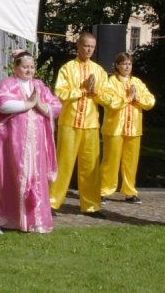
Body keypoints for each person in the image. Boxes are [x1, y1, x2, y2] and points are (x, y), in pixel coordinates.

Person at [0, 50, 61, 234]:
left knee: (33, 179)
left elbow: (56, 107)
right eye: (25, 67)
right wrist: (27, 105)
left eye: (32, 67)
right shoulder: (8, 84)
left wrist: (39, 105)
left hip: (34, 147)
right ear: (16, 67)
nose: (29, 70)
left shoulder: (39, 86)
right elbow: (0, 105)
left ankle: (32, 220)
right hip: (9, 143)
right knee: (6, 177)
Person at [48, 32, 108, 216]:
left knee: (90, 166)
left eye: (92, 46)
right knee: (64, 163)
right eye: (86, 45)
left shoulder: (99, 71)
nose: (88, 49)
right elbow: (60, 93)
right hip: (70, 122)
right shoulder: (67, 68)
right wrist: (82, 89)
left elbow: (108, 98)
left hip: (90, 124)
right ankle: (51, 202)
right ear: (78, 45)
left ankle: (91, 205)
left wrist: (95, 91)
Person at [98, 52, 155, 204]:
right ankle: (104, 190)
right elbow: (108, 100)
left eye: (129, 63)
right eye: (124, 63)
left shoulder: (137, 82)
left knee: (131, 162)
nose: (127, 66)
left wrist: (137, 98)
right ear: (117, 65)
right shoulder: (110, 82)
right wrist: (127, 98)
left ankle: (130, 192)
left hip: (134, 128)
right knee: (111, 161)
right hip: (115, 128)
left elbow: (150, 101)